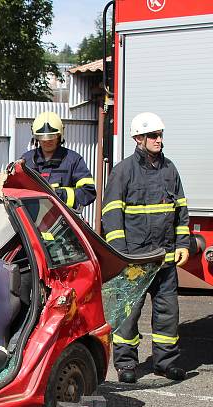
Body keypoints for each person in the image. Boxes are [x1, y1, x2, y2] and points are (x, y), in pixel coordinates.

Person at [101, 111, 190, 383]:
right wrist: (120, 254)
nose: (158, 140)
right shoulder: (123, 171)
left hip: (164, 259)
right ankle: (126, 363)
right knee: (129, 314)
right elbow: (111, 214)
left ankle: (166, 363)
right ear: (138, 138)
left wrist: (184, 243)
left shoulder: (169, 169)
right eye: (153, 135)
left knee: (168, 315)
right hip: (135, 260)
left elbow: (181, 209)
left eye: (160, 135)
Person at [20, 111, 97, 210]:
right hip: (31, 222)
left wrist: (57, 195)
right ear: (36, 138)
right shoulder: (26, 161)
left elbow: (88, 192)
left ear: (60, 136)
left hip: (63, 221)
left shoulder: (73, 160)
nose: (47, 141)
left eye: (51, 137)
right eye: (42, 137)